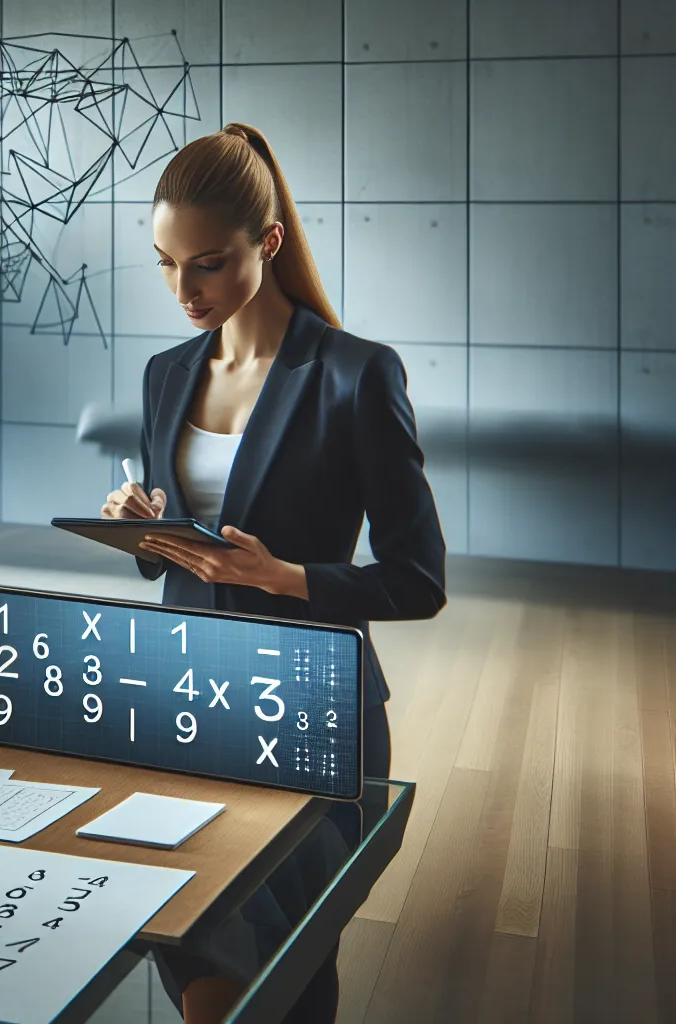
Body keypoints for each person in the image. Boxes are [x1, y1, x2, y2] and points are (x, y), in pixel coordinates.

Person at [100, 124, 447, 1022]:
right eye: (167, 265)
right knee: (204, 952)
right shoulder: (165, 375)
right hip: (181, 707)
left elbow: (418, 579)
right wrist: (146, 536)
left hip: (310, 711)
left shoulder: (355, 375)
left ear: (270, 242)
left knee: (287, 970)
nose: (185, 290)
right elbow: (177, 561)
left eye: (208, 264)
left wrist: (283, 576)